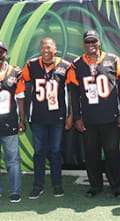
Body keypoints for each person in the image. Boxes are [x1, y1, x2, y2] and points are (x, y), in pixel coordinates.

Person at [66, 30, 120, 199]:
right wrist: (77, 117)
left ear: (99, 42)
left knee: (112, 152)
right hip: (89, 119)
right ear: (83, 44)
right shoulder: (76, 64)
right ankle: (95, 186)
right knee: (91, 154)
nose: (91, 45)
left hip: (110, 118)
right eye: (88, 42)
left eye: (94, 41)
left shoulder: (113, 60)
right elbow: (73, 94)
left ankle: (116, 187)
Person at [22, 38, 72, 199]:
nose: (45, 50)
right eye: (43, 47)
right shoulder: (31, 65)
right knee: (39, 152)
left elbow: (72, 91)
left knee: (56, 151)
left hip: (57, 117)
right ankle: (38, 185)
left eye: (49, 47)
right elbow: (21, 82)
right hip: (37, 117)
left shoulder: (65, 66)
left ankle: (57, 185)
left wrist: (71, 114)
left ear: (55, 49)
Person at [0, 40, 26, 203]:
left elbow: (21, 98)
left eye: (1, 51)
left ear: (5, 53)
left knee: (13, 160)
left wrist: (22, 120)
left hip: (9, 123)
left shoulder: (15, 73)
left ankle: (14, 191)